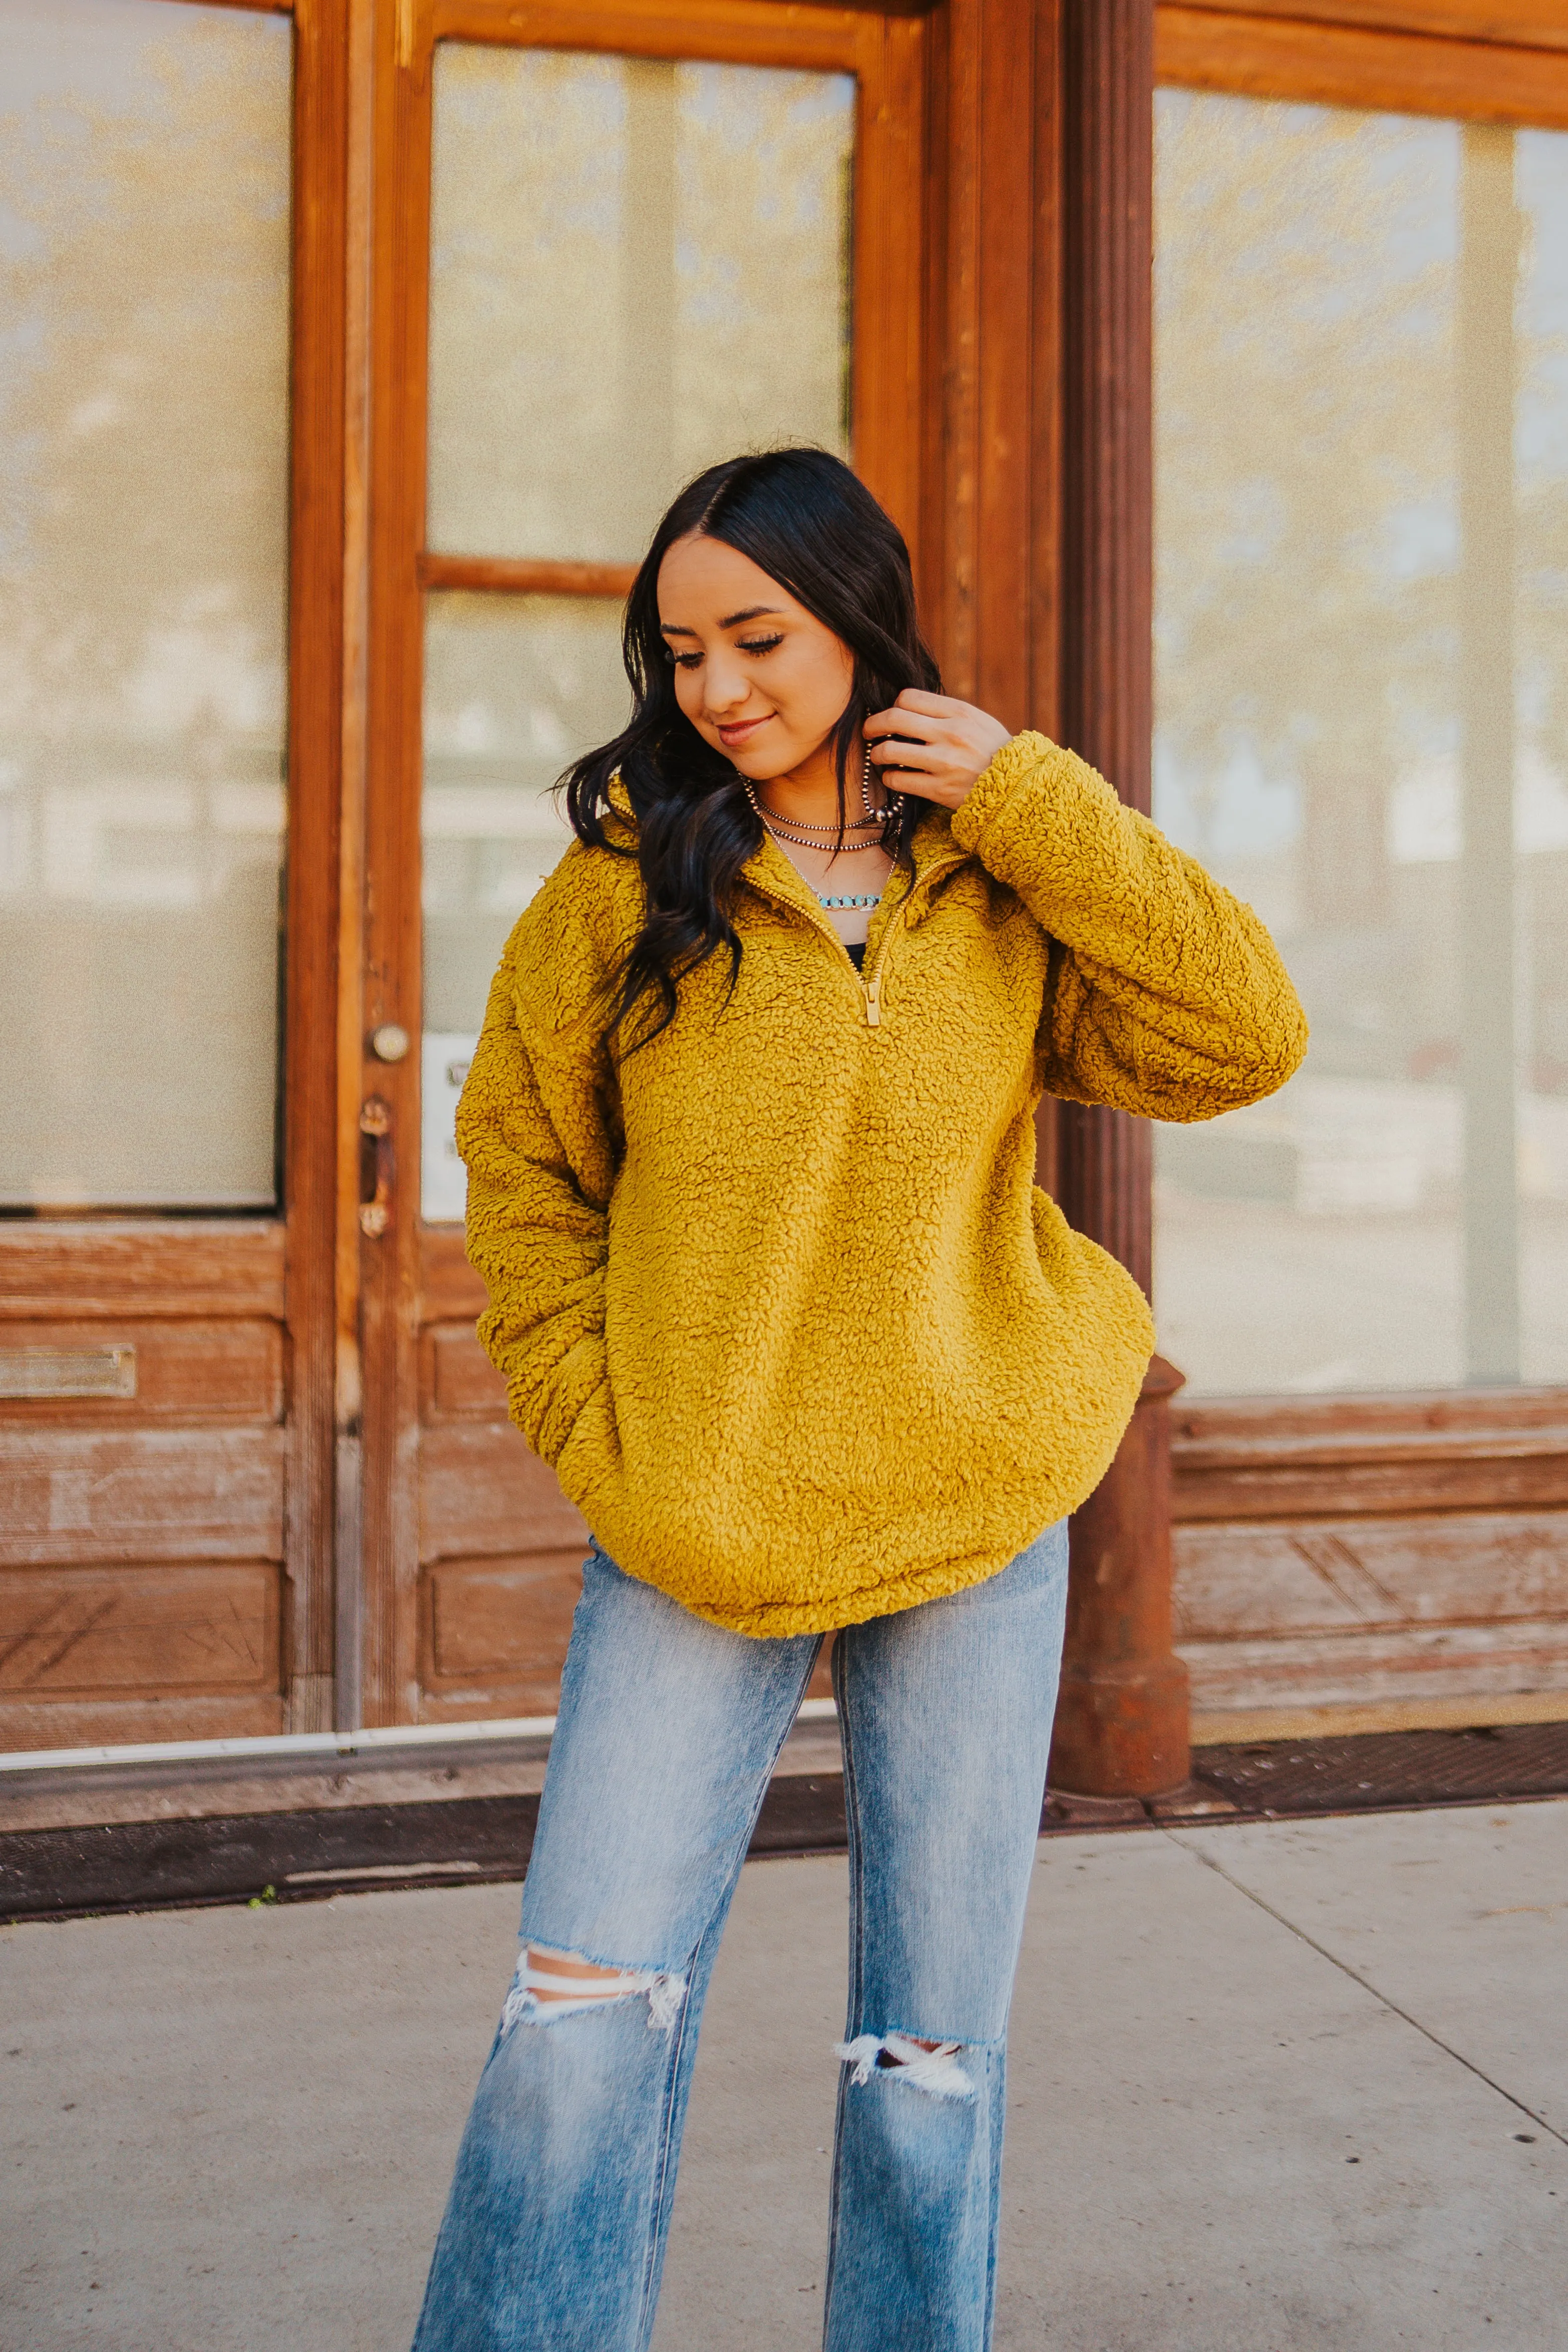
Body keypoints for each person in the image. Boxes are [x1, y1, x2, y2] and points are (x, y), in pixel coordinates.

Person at [410, 447, 1307, 2352]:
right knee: (579, 2023)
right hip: (697, 1522)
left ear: (858, 624)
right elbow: (520, 1173)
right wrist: (605, 1437)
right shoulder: (621, 890)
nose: (722, 686)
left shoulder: (993, 885)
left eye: (763, 636)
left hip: (973, 1508)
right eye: (685, 650)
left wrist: (1039, 798)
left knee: (930, 2057)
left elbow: (1245, 1038)